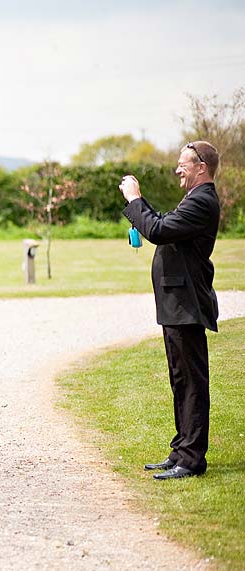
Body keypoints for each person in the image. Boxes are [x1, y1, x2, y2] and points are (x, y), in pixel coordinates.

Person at [119, 141, 221, 480]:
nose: (178, 169)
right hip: (177, 303)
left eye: (183, 164)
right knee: (181, 379)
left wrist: (135, 200)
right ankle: (181, 451)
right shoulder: (194, 199)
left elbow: (158, 231)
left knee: (191, 382)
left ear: (201, 166)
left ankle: (192, 460)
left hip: (187, 303)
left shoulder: (203, 200)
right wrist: (141, 207)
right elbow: (163, 223)